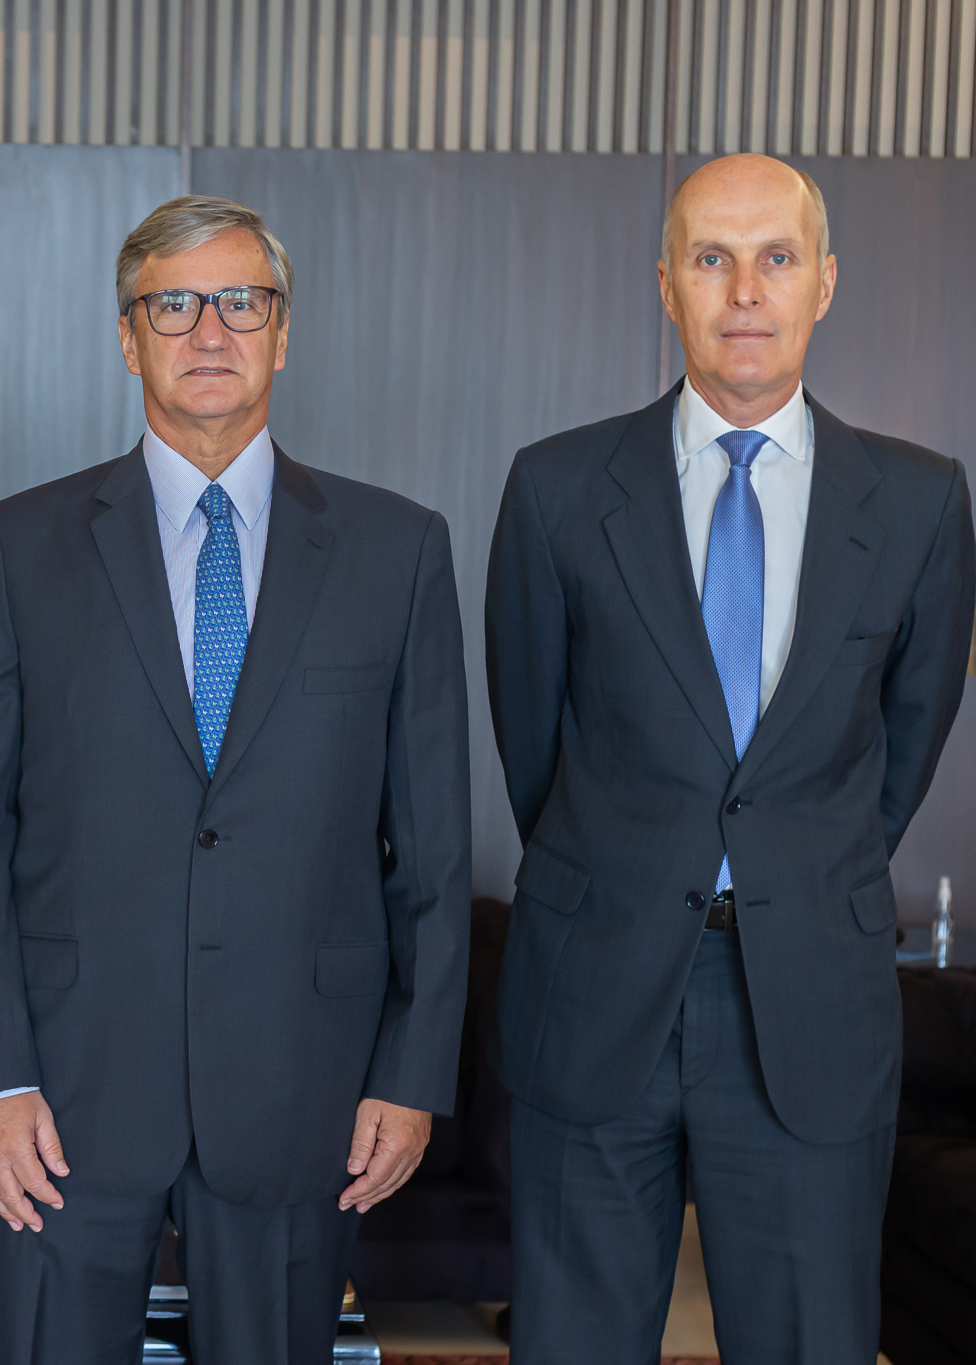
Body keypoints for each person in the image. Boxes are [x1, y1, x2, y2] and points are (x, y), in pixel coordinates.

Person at [0, 195, 472, 1365]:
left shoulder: (396, 550)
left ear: (283, 331)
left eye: (240, 302)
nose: (208, 330)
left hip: (301, 1090)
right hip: (59, 1097)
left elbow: (431, 850)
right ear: (127, 339)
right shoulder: (17, 546)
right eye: (171, 304)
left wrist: (410, 1076)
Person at [486, 153, 975, 1365]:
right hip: (595, 987)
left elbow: (899, 749)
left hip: (808, 994)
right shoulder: (555, 489)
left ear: (823, 283)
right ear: (665, 285)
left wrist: (786, 868)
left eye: (774, 258)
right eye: (710, 258)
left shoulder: (918, 502)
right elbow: (531, 742)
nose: (743, 291)